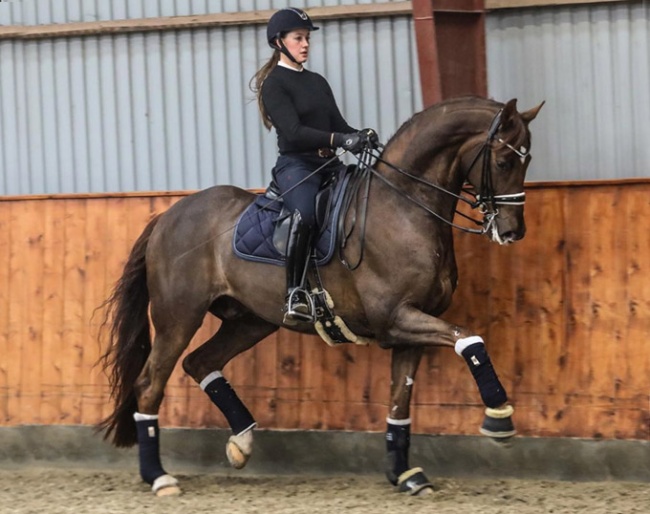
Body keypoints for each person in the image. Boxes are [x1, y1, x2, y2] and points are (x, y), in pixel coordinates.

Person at [250, 7, 378, 325]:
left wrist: (359, 136)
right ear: (279, 42)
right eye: (298, 38)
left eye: (307, 38)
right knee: (304, 214)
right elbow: (293, 132)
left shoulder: (317, 81)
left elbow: (338, 124)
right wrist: (340, 139)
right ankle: (295, 291)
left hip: (329, 165)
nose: (305, 44)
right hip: (298, 166)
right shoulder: (274, 84)